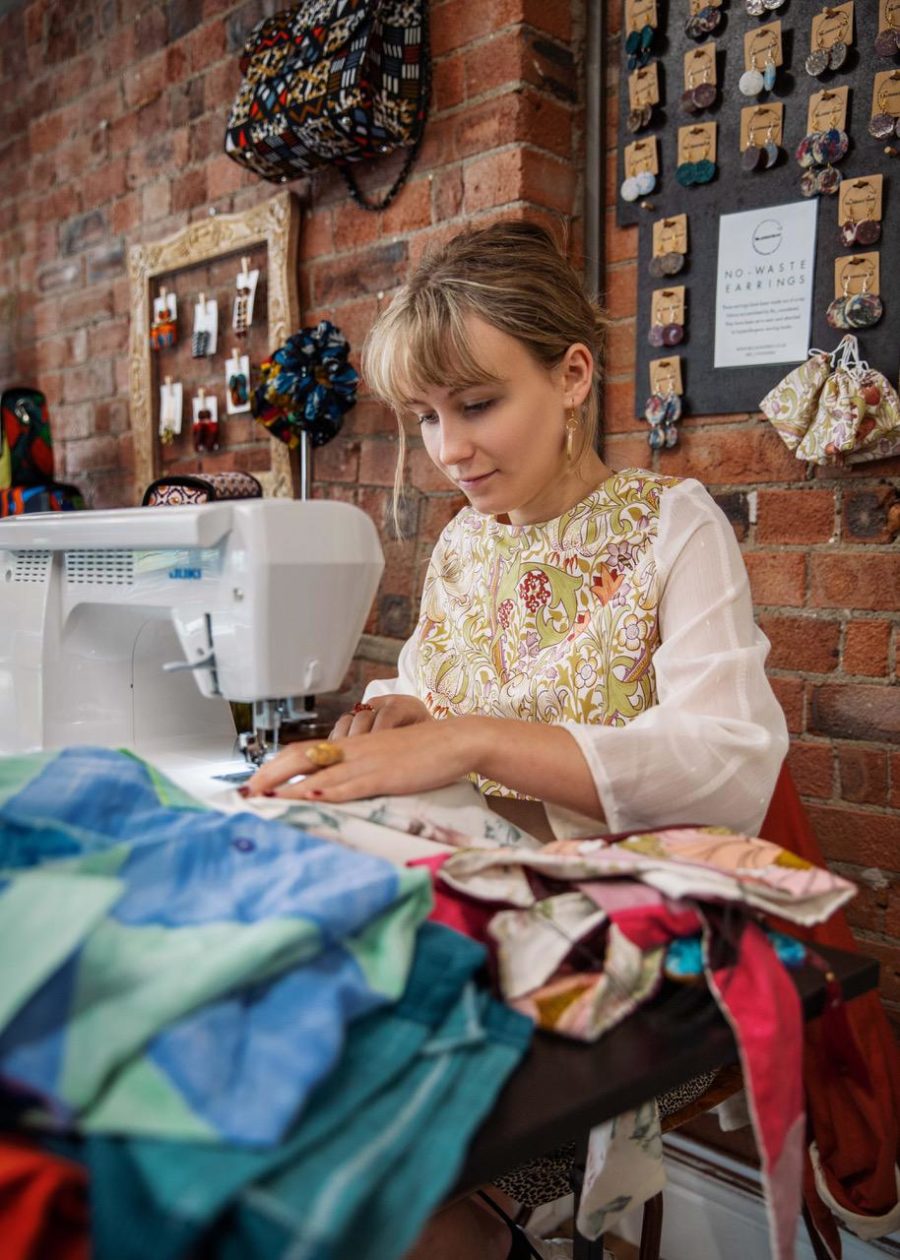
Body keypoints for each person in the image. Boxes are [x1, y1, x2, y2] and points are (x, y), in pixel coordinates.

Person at [245, 219, 789, 1259]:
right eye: (426, 416)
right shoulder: (464, 541)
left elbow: (726, 767)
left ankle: (494, 1222)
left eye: (478, 405)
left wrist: (474, 744)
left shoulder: (674, 528)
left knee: (382, 1178)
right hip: (476, 913)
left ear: (573, 374)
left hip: (641, 945)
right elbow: (427, 679)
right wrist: (400, 716)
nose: (449, 450)